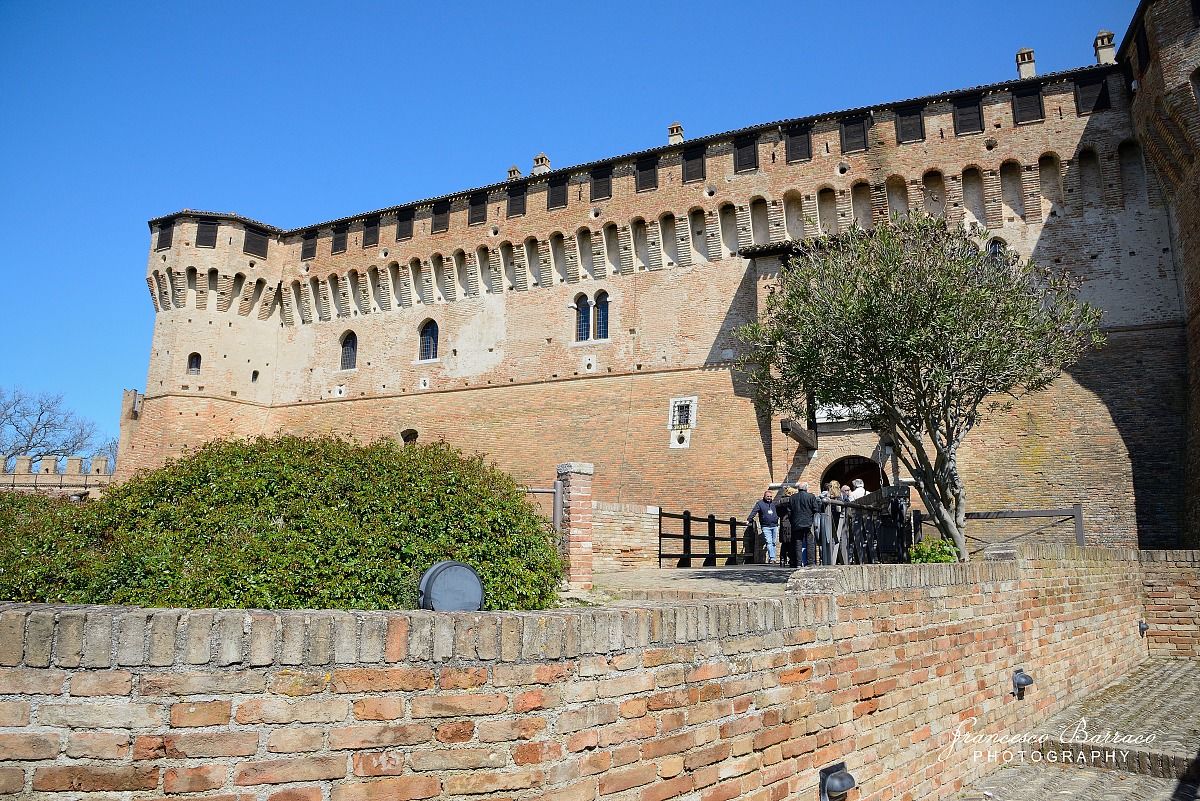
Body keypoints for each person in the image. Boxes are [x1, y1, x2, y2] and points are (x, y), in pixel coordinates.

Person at [787, 482, 822, 567]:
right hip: (808, 522)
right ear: (806, 488)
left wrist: (793, 521)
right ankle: (811, 562)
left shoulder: (792, 497)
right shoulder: (811, 496)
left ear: (798, 489)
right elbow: (815, 509)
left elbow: (789, 511)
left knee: (798, 543)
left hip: (796, 523)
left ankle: (798, 562)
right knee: (810, 542)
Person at [747, 488, 781, 565]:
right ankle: (772, 558)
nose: (769, 498)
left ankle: (772, 558)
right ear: (764, 496)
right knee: (769, 542)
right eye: (768, 496)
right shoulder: (760, 504)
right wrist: (749, 519)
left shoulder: (774, 504)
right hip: (766, 526)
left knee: (773, 543)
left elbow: (779, 512)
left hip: (774, 525)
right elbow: (754, 512)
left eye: (770, 497)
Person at [779, 486, 799, 567]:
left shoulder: (780, 501)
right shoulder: (791, 501)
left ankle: (782, 560)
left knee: (784, 543)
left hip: (783, 522)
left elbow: (778, 512)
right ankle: (792, 560)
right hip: (790, 523)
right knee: (791, 542)